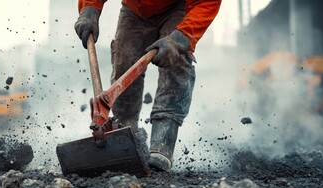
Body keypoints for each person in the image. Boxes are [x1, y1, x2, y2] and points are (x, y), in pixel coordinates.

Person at [75, 0, 221, 171]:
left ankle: (162, 145)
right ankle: (126, 139)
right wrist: (89, 8)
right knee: (124, 64)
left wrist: (182, 37)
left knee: (176, 62)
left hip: (177, 7)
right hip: (134, 10)